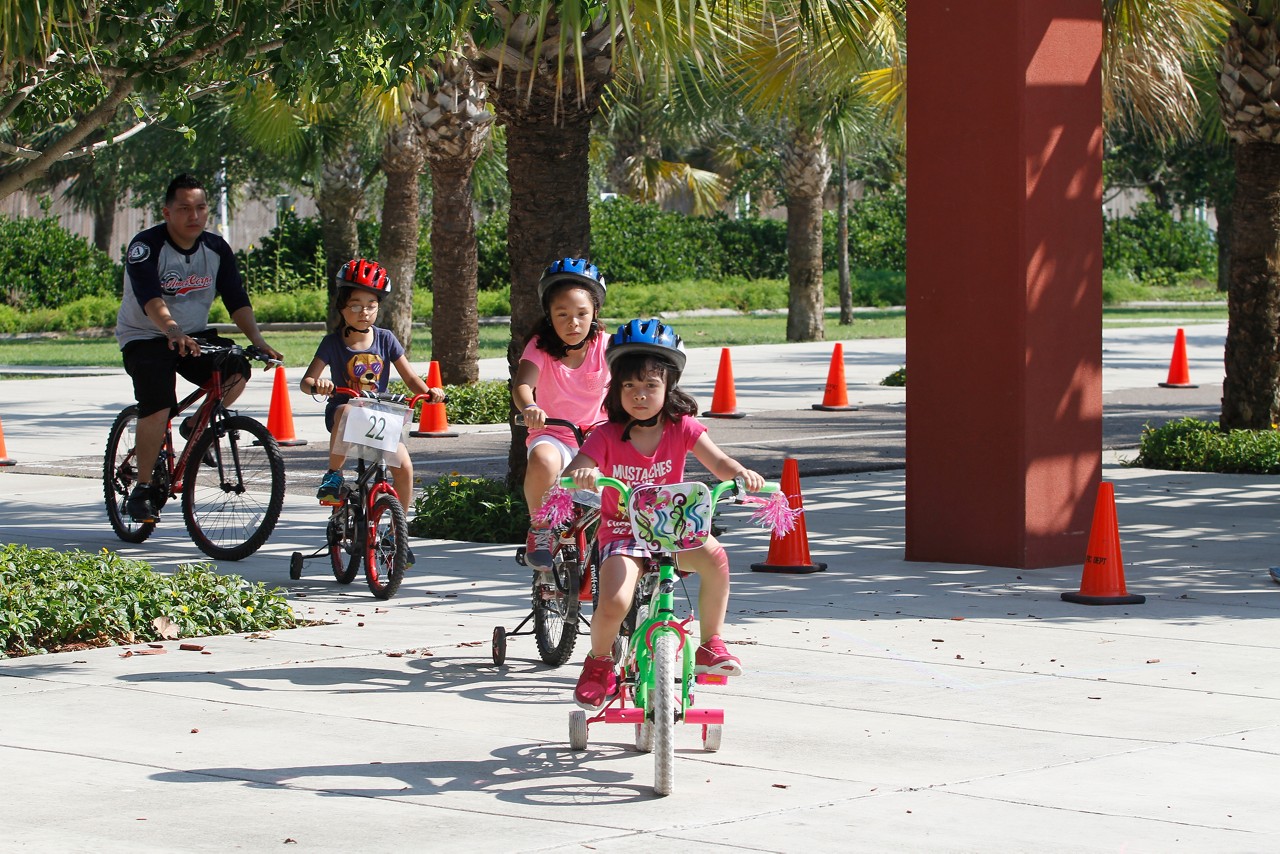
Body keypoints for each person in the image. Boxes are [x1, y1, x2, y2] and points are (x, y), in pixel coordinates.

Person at [564, 318, 766, 711]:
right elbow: (577, 468)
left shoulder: (682, 427)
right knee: (613, 601)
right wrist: (582, 474)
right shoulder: (605, 434)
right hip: (623, 532)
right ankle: (600, 663)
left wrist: (740, 474)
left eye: (650, 386)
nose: (640, 395)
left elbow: (720, 462)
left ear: (669, 386)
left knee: (716, 559)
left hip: (672, 530)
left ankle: (711, 644)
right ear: (616, 389)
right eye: (630, 386)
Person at [116, 173, 282, 523]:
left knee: (237, 369)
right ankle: (143, 488)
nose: (194, 215)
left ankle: (195, 427)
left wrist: (258, 342)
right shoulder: (146, 246)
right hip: (145, 336)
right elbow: (150, 297)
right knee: (158, 403)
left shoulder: (215, 248)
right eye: (184, 208)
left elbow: (236, 299)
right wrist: (171, 329)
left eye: (201, 208)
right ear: (166, 212)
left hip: (193, 334)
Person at [299, 258, 444, 561]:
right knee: (347, 410)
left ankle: (397, 531)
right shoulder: (332, 342)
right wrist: (319, 385)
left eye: (370, 305)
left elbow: (410, 377)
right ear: (341, 307)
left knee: (404, 467)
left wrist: (429, 392)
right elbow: (307, 381)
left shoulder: (386, 339)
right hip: (346, 412)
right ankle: (333, 476)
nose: (363, 312)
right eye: (355, 305)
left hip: (380, 414)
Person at [512, 257, 610, 571]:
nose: (573, 323)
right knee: (543, 459)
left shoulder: (608, 347)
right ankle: (540, 530)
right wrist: (530, 407)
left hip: (598, 441)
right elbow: (523, 384)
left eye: (582, 314)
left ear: (595, 311)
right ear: (549, 316)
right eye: (562, 314)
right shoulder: (540, 346)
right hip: (553, 434)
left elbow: (635, 384)